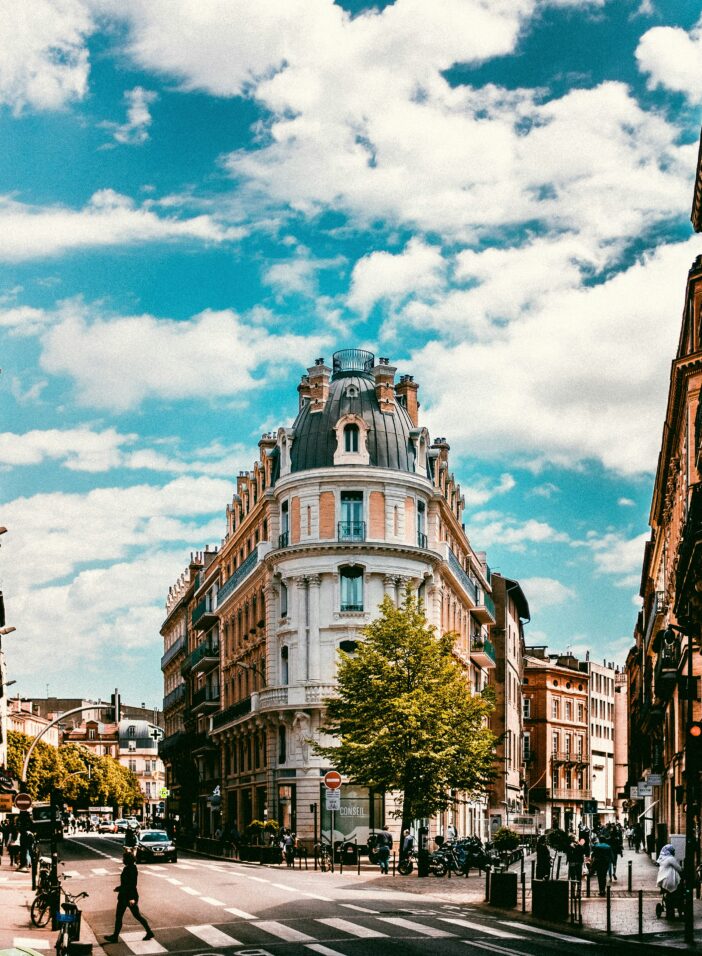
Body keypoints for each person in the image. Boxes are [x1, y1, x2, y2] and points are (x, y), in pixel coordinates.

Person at [104, 851, 154, 943]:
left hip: (127, 897)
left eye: (124, 858)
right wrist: (119, 888)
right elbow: (126, 884)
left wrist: (131, 898)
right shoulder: (130, 868)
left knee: (124, 916)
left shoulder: (130, 869)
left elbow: (131, 884)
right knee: (134, 916)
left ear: (127, 860)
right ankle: (149, 932)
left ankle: (115, 937)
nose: (122, 860)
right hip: (125, 895)